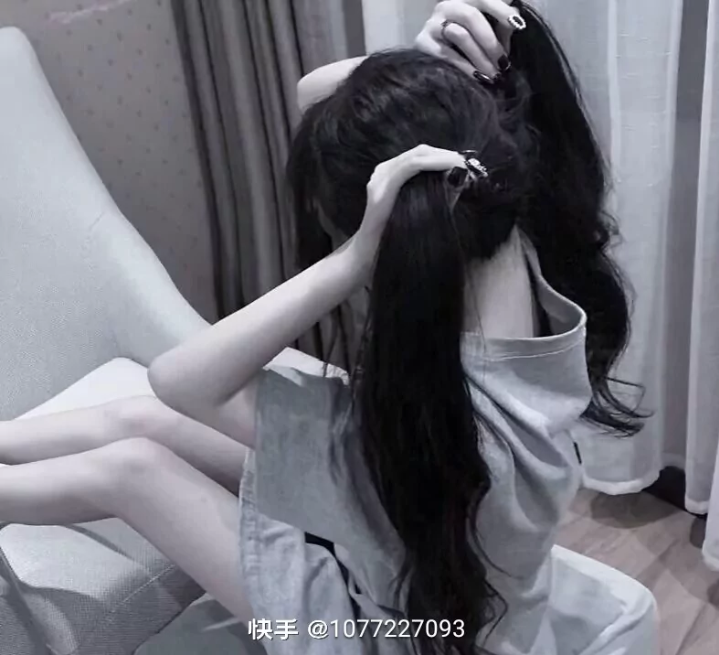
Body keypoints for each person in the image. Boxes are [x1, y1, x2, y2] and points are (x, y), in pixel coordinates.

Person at [0, 1, 654, 654]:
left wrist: (349, 260)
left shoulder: (424, 434)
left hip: (381, 634)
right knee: (146, 424)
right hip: (420, 558)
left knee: (132, 469)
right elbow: (315, 97)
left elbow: (179, 380)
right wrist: (422, 72)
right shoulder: (517, 230)